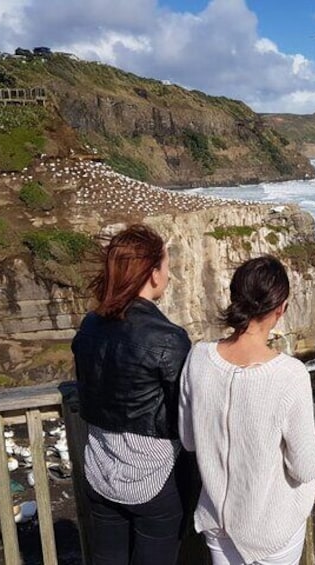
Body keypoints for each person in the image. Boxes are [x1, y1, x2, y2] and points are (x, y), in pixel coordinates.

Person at [179, 255, 315, 565]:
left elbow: (189, 440)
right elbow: (304, 467)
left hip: (217, 519)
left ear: (235, 297)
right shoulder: (290, 374)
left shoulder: (198, 358)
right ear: (281, 308)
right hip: (272, 529)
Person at [72, 224, 191, 565]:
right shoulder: (168, 338)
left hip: (100, 467)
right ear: (153, 274)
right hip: (152, 479)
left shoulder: (91, 325)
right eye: (166, 266)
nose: (168, 274)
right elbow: (185, 414)